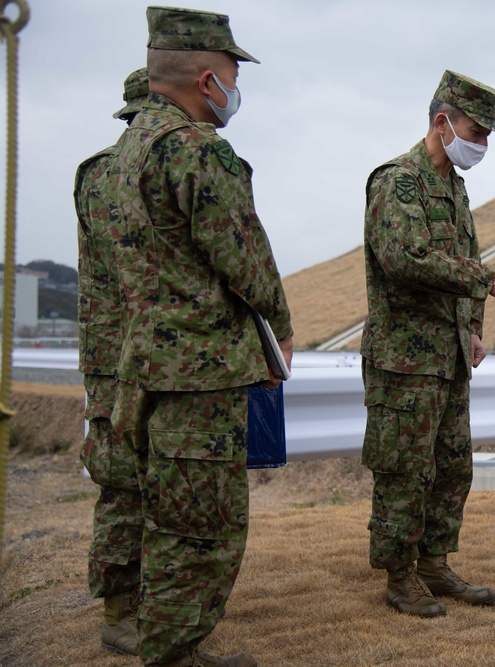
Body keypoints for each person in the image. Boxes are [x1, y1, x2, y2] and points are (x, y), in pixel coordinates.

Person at [106, 7, 293, 667]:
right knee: (205, 530)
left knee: (170, 521)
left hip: (151, 368)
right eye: (234, 74)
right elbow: (244, 257)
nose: (236, 89)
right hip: (200, 375)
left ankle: (174, 644)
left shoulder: (128, 149)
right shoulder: (196, 149)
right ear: (207, 76)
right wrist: (283, 333)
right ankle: (172, 653)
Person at [361, 69, 495, 618]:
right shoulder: (397, 181)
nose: (481, 144)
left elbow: (463, 257)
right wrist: (485, 280)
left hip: (448, 356)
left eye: (486, 134)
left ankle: (434, 563)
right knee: (404, 468)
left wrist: (475, 325)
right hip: (404, 360)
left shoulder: (455, 189)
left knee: (452, 466)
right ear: (443, 122)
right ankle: (400, 574)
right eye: (476, 131)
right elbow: (403, 259)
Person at [75, 66, 149, 657]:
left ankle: (139, 603)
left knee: (138, 484)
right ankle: (122, 611)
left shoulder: (102, 170)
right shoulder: (119, 171)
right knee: (130, 487)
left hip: (128, 354)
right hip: (134, 354)